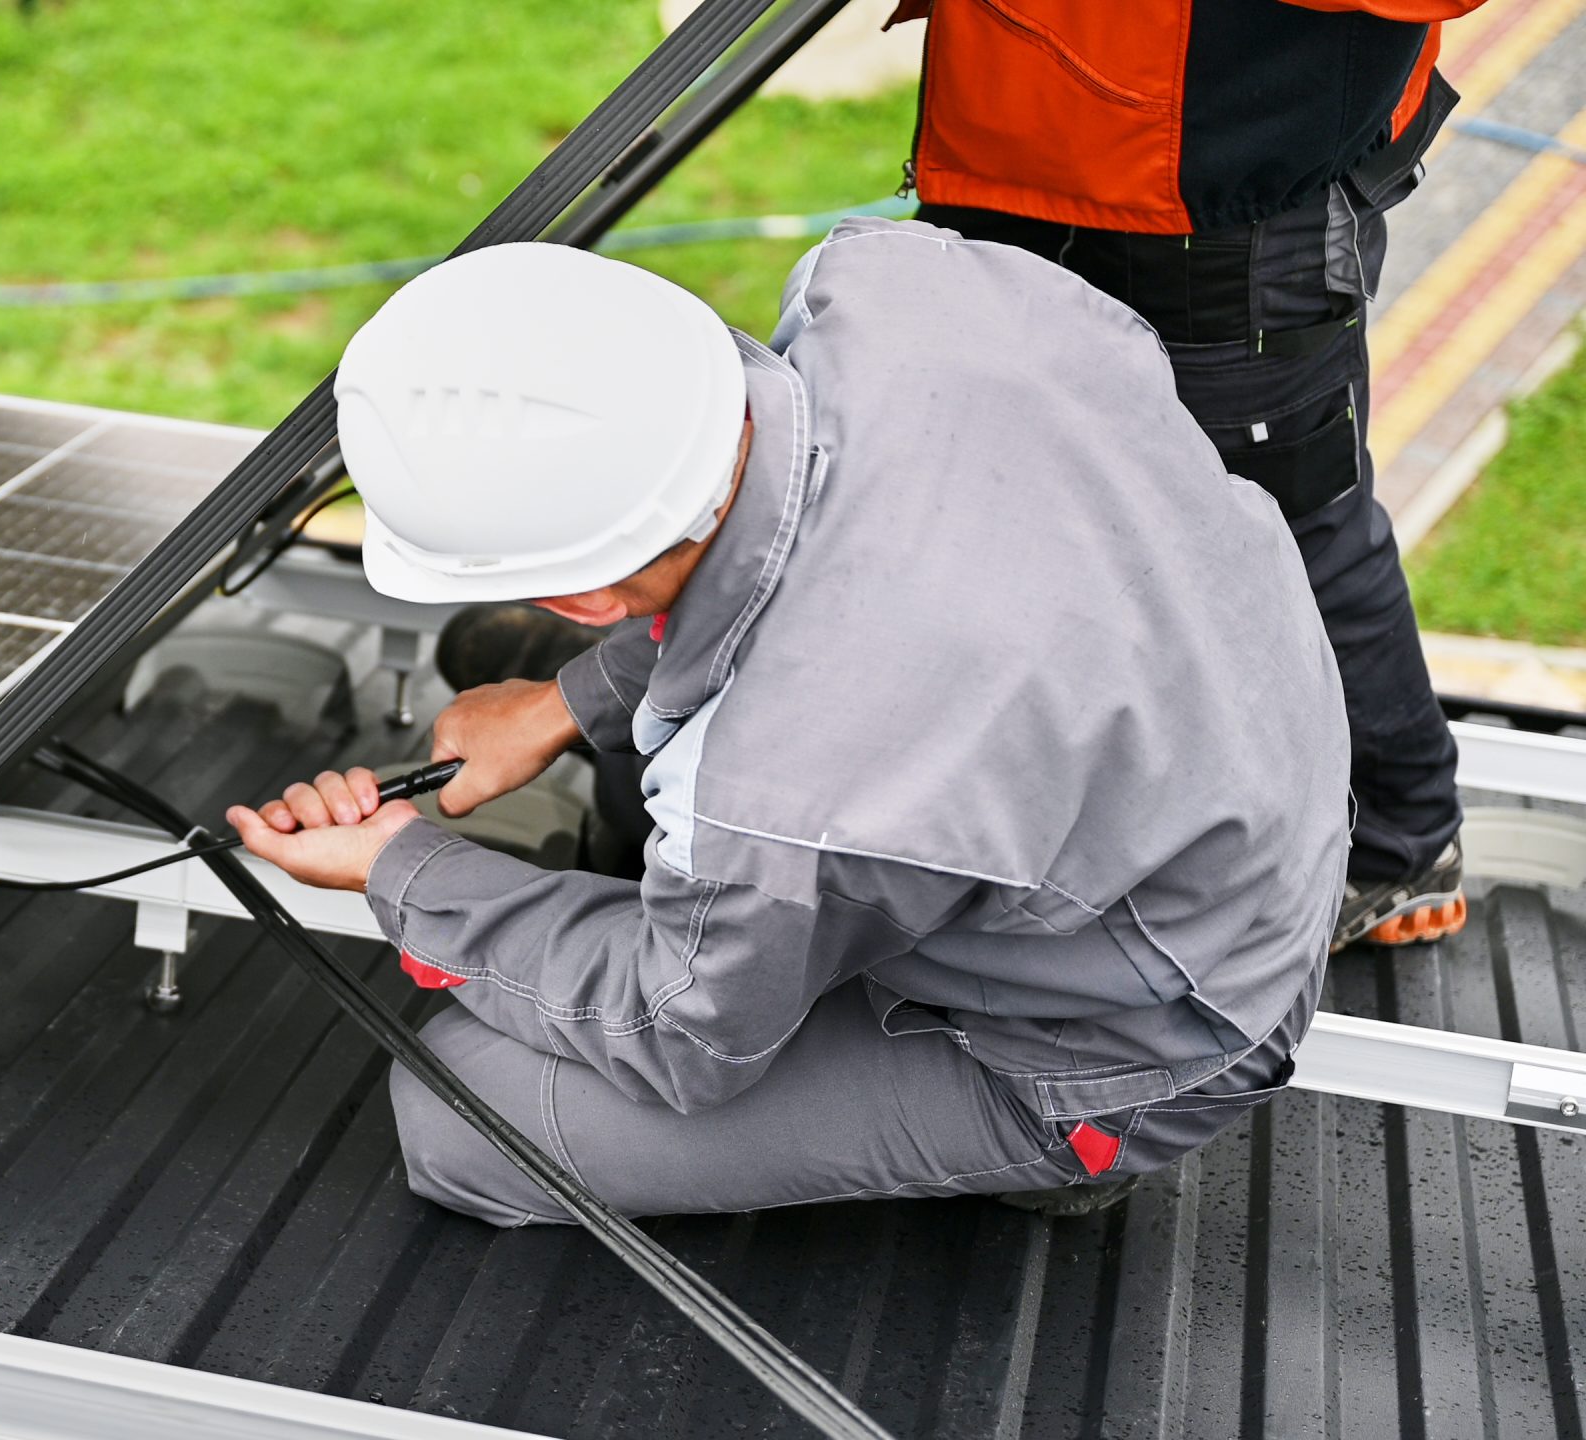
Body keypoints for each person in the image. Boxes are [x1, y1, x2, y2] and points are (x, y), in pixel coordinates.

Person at [223, 229, 1349, 1224]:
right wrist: (570, 703)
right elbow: (819, 535)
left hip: (1140, 1039)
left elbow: (683, 1034)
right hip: (1243, 796)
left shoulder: (785, 792)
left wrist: (402, 868)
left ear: (578, 599)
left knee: (462, 1108)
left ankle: (1056, 1157)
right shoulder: (894, 289)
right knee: (697, 840)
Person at [892, 0, 1481, 948]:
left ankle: (1399, 848)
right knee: (1021, 501)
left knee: (1290, 527)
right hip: (1035, 152)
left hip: (1221, 196)